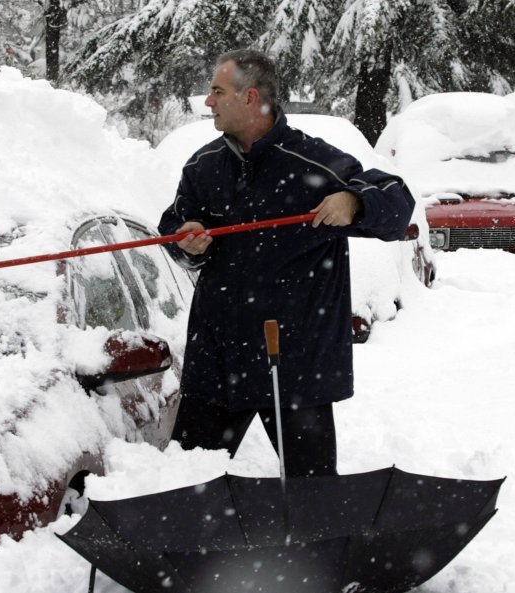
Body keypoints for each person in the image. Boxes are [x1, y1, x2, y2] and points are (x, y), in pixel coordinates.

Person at [158, 49, 415, 477]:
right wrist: (188, 238)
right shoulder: (204, 167)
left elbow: (397, 201)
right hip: (219, 364)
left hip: (297, 369)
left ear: (249, 97)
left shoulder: (315, 164)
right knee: (187, 488)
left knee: (313, 499)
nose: (208, 102)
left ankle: (311, 547)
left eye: (217, 91)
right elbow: (174, 225)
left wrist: (354, 200)